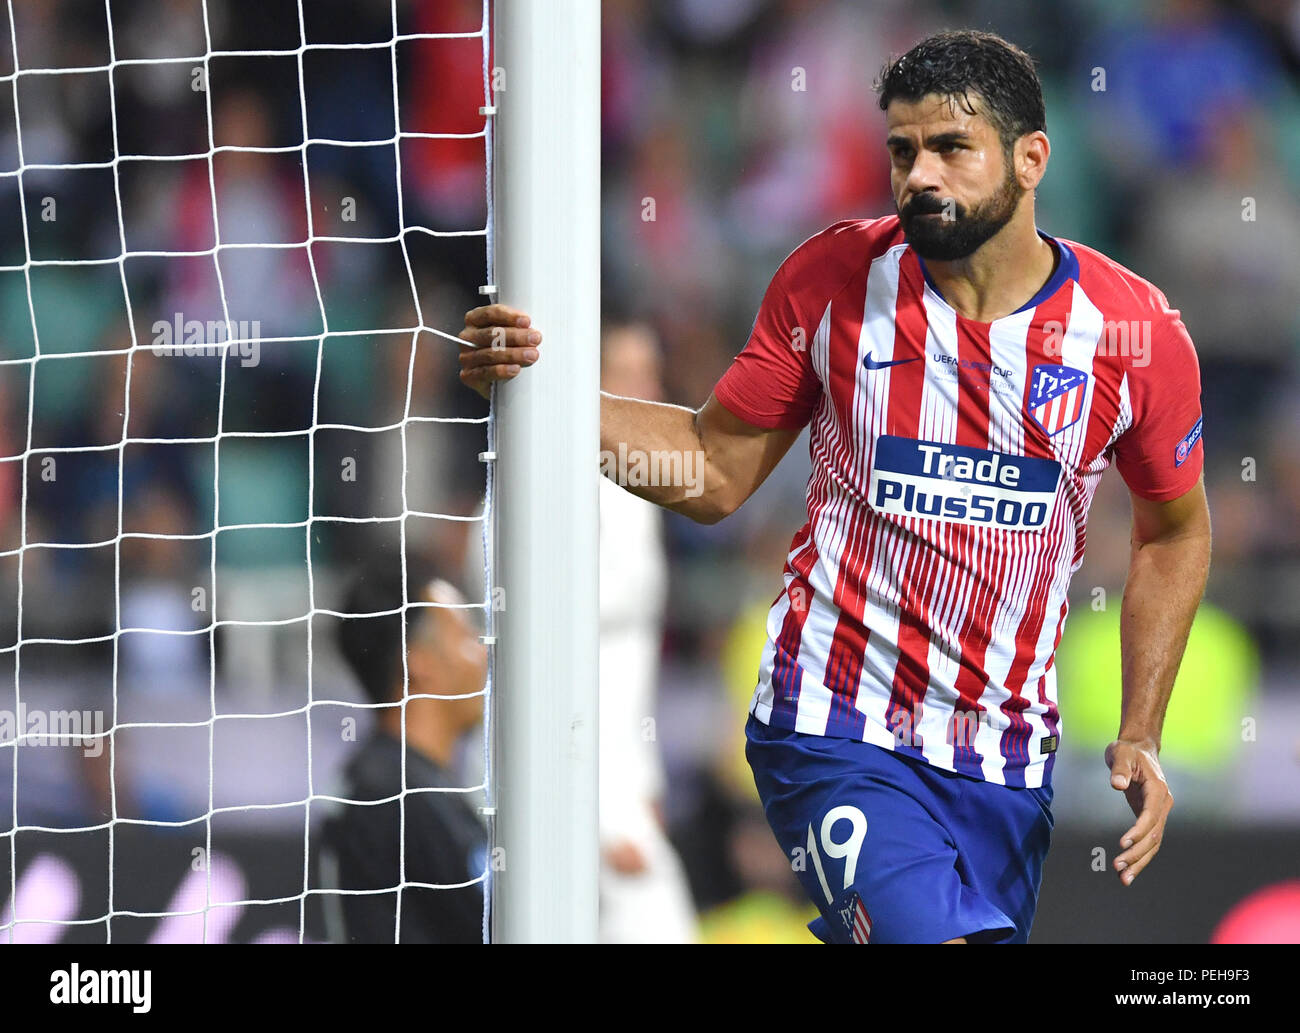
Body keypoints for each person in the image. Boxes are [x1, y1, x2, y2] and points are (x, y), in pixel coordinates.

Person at [456, 30, 1211, 944]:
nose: (920, 176)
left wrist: (1142, 726)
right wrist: (547, 390)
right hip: (832, 727)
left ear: (1031, 158)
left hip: (1004, 762)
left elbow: (1174, 530)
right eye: (901, 151)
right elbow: (714, 465)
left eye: (949, 149)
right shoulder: (835, 279)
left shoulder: (1131, 333)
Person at [318, 560, 489, 943]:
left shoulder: (378, 779)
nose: (484, 653)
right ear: (419, 661)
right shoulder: (399, 796)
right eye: (467, 636)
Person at [597, 322, 698, 943]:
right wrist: (602, 817)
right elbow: (535, 670)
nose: (647, 390)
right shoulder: (540, 496)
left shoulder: (639, 495)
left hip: (623, 780)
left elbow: (627, 666)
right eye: (626, 375)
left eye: (651, 374)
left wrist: (645, 783)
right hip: (570, 783)